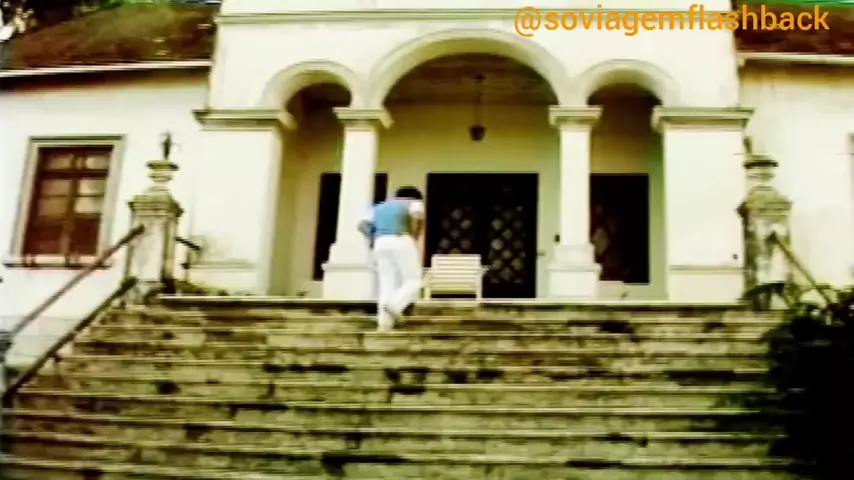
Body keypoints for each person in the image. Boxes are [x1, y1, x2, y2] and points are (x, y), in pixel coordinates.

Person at [358, 186, 425, 332]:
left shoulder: (378, 207)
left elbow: (362, 225)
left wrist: (372, 238)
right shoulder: (414, 203)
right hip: (401, 238)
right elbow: (417, 220)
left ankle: (384, 324)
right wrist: (413, 237)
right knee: (414, 279)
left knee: (387, 284)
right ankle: (396, 304)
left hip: (380, 242)